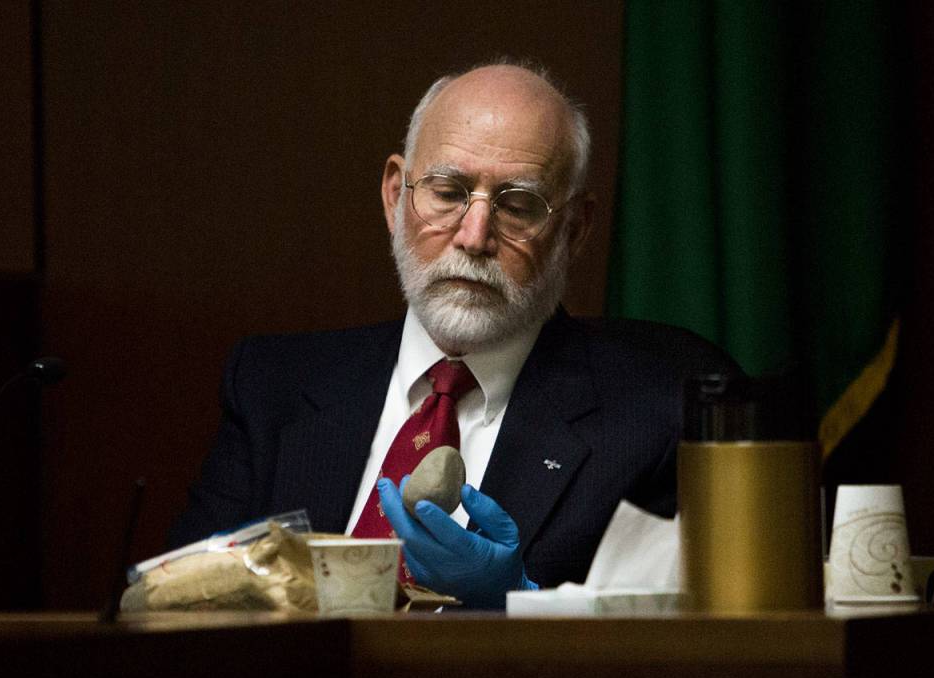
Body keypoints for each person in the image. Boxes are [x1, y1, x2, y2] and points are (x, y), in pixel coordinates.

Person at [169, 61, 737, 608]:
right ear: (396, 196)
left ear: (575, 229)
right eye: (447, 192)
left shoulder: (664, 405)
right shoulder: (274, 386)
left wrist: (521, 603)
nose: (474, 235)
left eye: (518, 205)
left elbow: (691, 659)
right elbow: (175, 608)